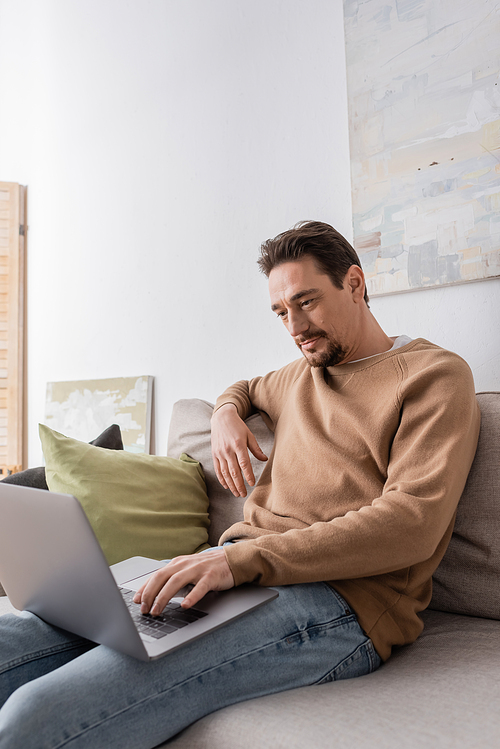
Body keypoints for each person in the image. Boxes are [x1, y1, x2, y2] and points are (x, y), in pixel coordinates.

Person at [0, 221, 480, 748]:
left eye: (307, 301)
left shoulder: (433, 376)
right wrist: (226, 412)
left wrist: (237, 562)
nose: (295, 326)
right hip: (235, 572)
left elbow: (411, 524)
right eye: (280, 312)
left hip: (341, 603)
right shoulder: (303, 372)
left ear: (356, 283)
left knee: (36, 714)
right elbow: (247, 388)